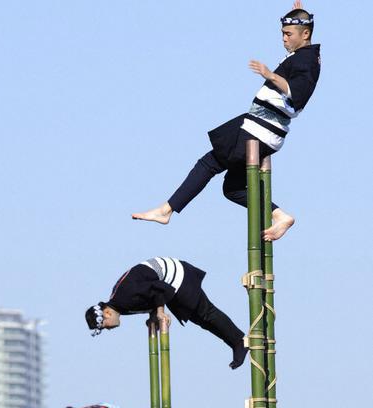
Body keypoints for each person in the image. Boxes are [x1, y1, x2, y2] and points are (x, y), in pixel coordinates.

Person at [132, 4, 320, 242]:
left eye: (288, 34)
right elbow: (303, 38)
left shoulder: (308, 60)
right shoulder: (305, 54)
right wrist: (300, 14)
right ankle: (279, 215)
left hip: (259, 130)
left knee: (209, 163)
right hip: (261, 129)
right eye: (282, 33)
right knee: (232, 188)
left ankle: (166, 210)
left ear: (305, 35)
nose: (283, 39)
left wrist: (269, 75)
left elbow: (298, 93)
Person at [85, 257, 247, 369]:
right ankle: (235, 343)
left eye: (105, 326)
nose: (108, 329)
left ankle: (239, 341)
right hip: (168, 282)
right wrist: (153, 316)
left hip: (174, 276)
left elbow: (158, 289)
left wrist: (160, 312)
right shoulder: (120, 305)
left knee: (206, 313)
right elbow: (148, 297)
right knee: (201, 320)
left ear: (106, 313)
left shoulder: (122, 298)